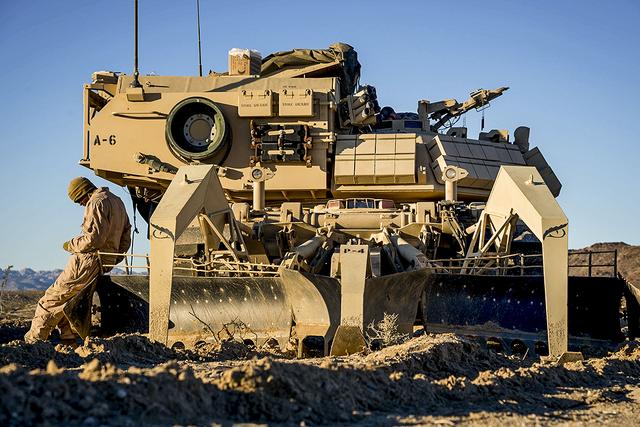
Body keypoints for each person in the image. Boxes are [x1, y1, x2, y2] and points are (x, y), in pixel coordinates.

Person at [24, 177, 131, 344]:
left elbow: (93, 239)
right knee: (68, 301)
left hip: (87, 260)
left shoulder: (96, 202)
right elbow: (125, 238)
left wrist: (71, 244)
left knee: (51, 300)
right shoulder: (117, 202)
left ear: (83, 193)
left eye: (79, 201)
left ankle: (32, 344)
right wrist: (113, 259)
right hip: (104, 262)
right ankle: (68, 340)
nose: (80, 205)